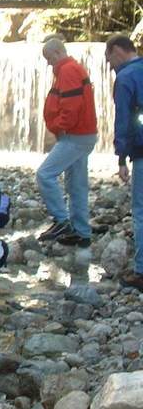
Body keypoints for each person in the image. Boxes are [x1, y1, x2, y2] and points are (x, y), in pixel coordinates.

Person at [36, 36, 98, 247]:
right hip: (82, 134)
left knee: (45, 174)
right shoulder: (71, 69)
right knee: (76, 185)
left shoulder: (68, 70)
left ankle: (62, 221)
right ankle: (82, 232)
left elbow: (71, 106)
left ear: (57, 53)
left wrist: (60, 126)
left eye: (48, 58)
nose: (48, 63)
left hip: (75, 135)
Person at [105, 34, 143, 290]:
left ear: (117, 51)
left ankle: (141, 271)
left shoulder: (127, 77)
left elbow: (123, 121)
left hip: (142, 150)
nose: (111, 66)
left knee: (141, 211)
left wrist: (121, 158)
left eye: (109, 60)